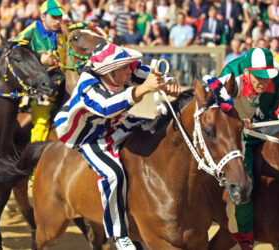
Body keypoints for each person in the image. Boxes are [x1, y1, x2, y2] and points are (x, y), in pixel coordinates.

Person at [54, 41, 181, 250]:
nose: (129, 69)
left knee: (152, 134)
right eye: (123, 67)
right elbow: (106, 107)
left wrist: (167, 81)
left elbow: (147, 76)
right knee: (113, 174)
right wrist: (143, 89)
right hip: (88, 135)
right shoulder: (88, 85)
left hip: (117, 123)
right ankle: (119, 234)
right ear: (109, 73)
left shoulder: (122, 71)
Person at [209, 47, 279, 250]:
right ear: (248, 71)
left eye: (267, 77)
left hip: (268, 129)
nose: (263, 82)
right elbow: (213, 111)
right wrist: (235, 119)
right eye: (258, 77)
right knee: (244, 180)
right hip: (236, 138)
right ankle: (245, 237)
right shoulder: (232, 76)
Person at [17, 0, 66, 143]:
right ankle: (34, 162)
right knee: (41, 122)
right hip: (38, 87)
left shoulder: (62, 32)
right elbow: (12, 55)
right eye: (54, 17)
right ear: (42, 17)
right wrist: (39, 60)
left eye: (59, 17)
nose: (58, 21)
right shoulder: (28, 32)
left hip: (62, 83)